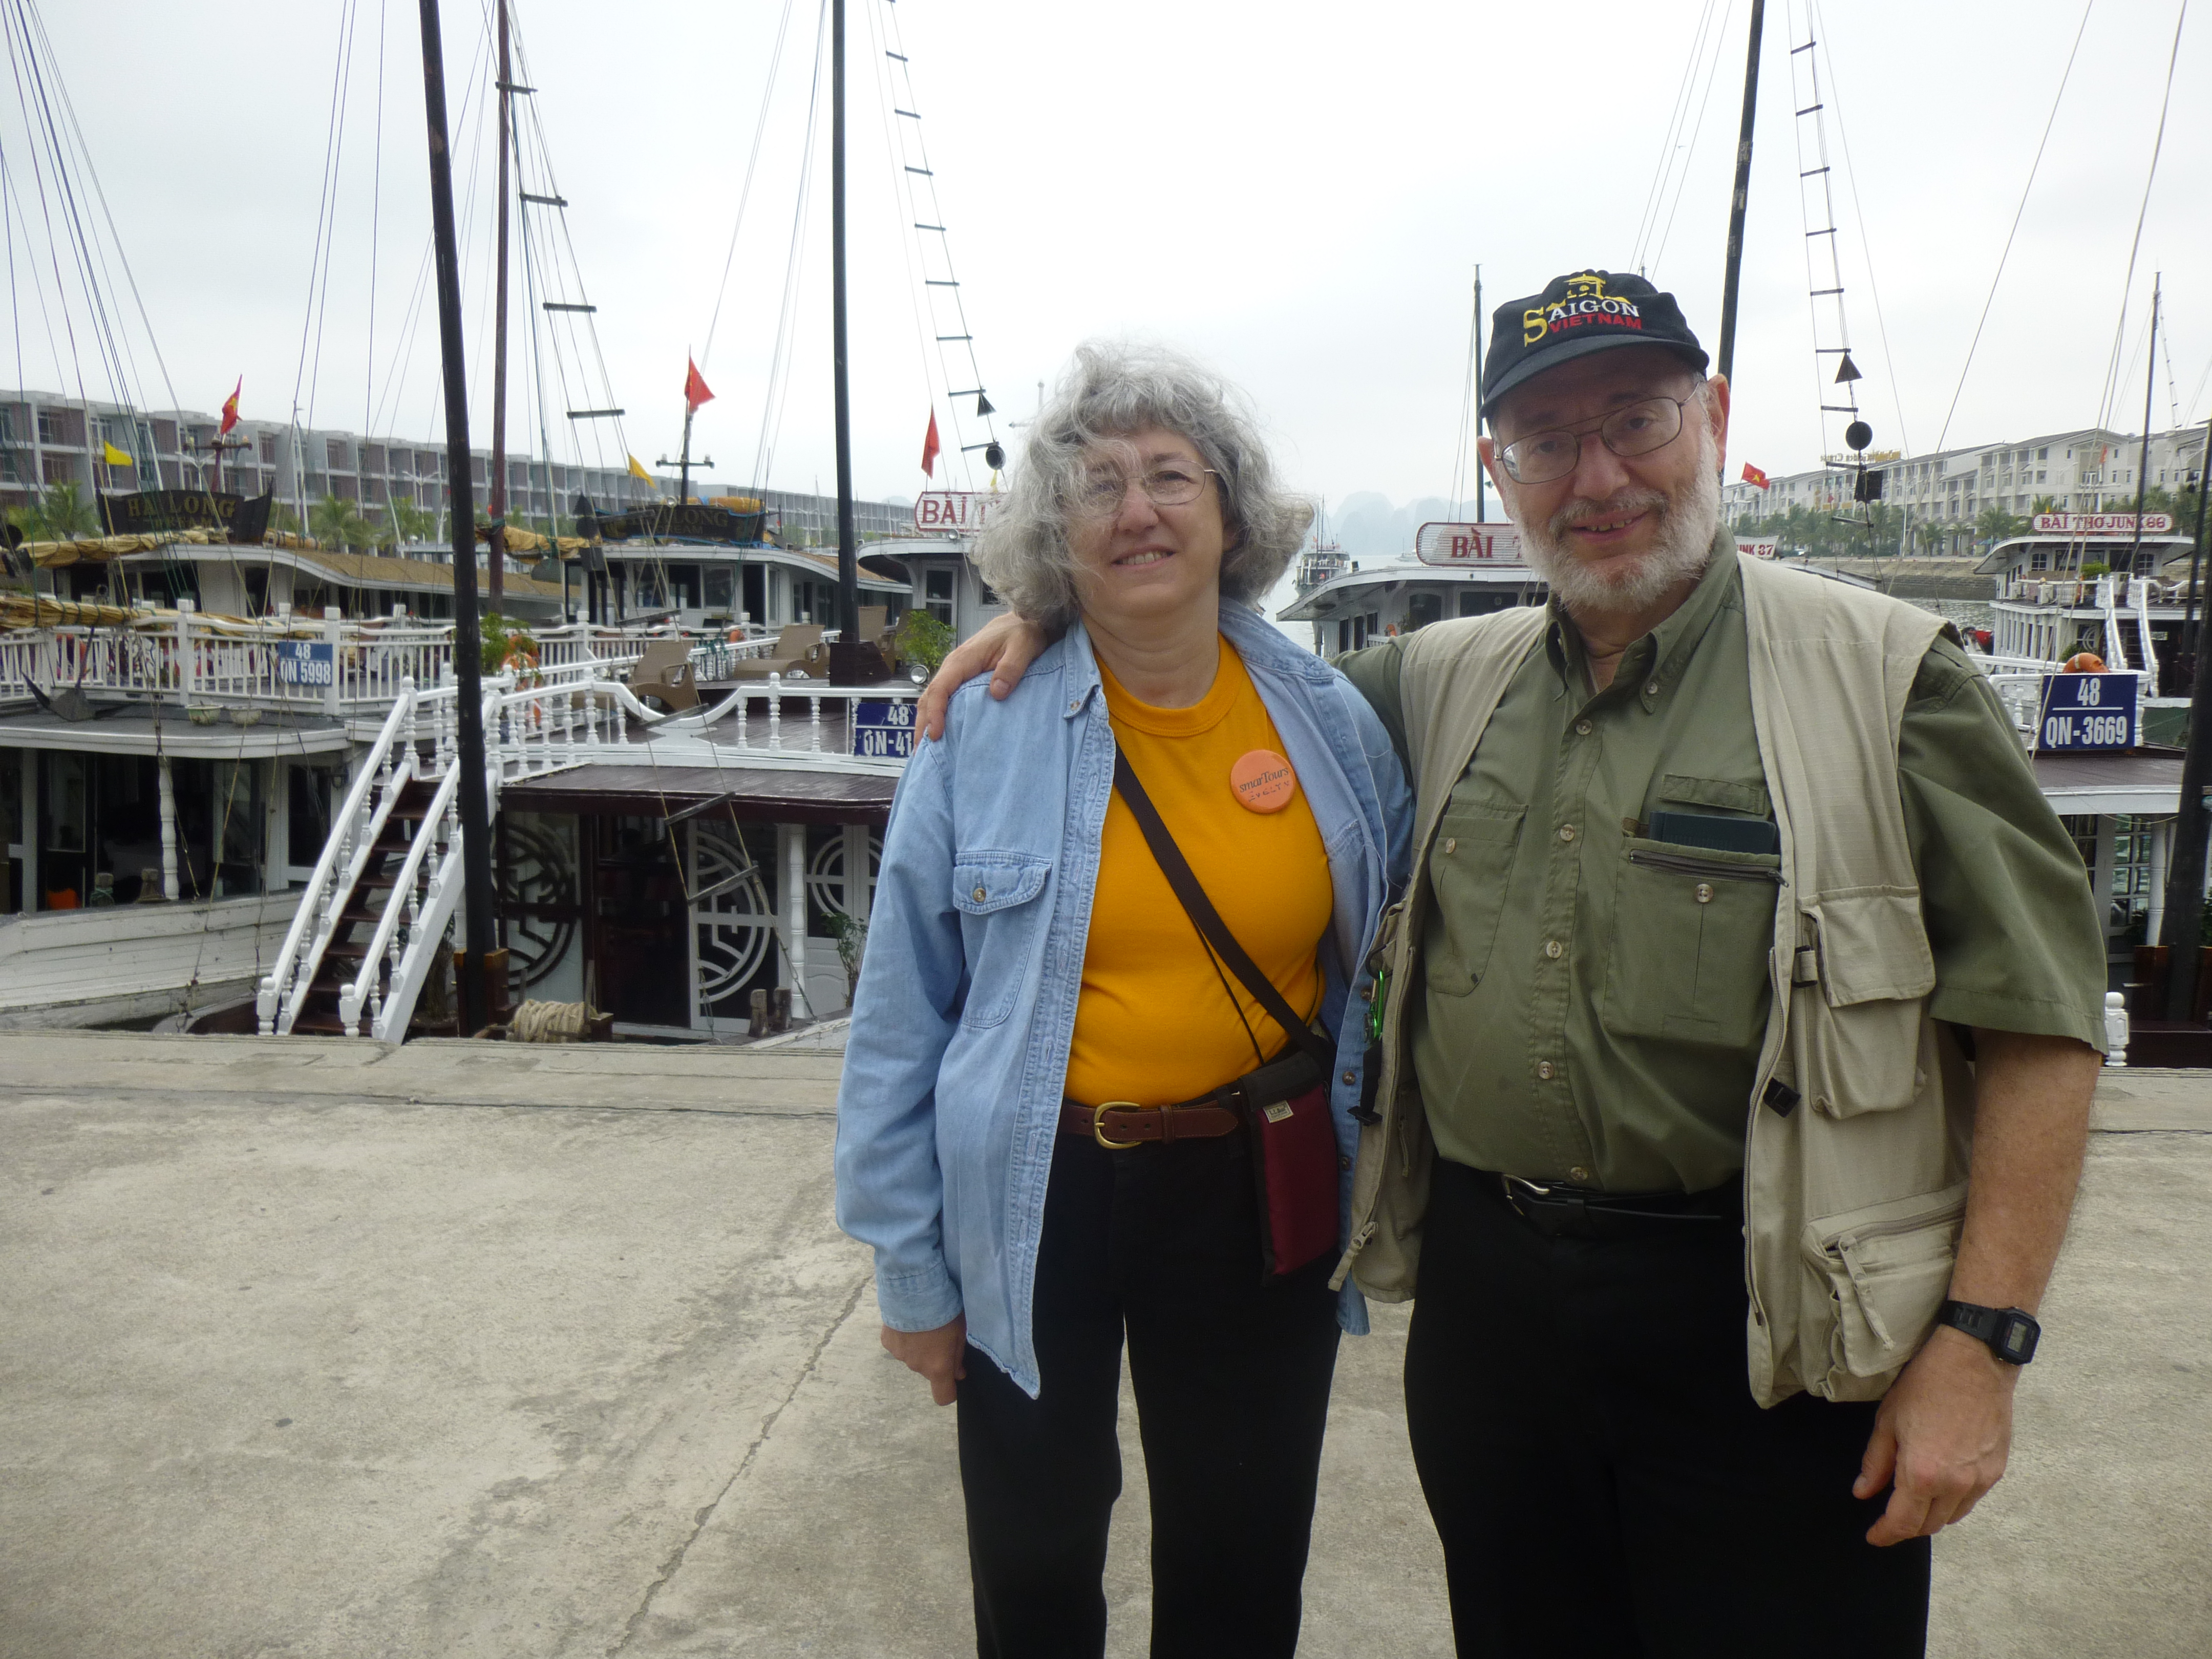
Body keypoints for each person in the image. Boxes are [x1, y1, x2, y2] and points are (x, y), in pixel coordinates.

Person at [918, 272, 2107, 1658]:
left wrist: (1981, 1342)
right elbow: (1195, 674)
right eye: (1547, 441)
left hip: (1770, 1318)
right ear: (1503, 471)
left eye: (1636, 420)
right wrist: (1055, 625)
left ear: (1712, 418)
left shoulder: (1888, 677)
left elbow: (2041, 1023)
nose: (1597, 476)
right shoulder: (1433, 684)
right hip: (1497, 1325)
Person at [836, 342, 1410, 1658]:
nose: (1137, 510)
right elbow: (900, 1014)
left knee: (1244, 1551)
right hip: (1039, 1190)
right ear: (1058, 531)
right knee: (1033, 1563)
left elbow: (1384, 941)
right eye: (1097, 485)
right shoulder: (979, 727)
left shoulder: (1330, 720)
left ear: (1230, 510)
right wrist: (912, 1272)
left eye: (1168, 476)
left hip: (1255, 1181)